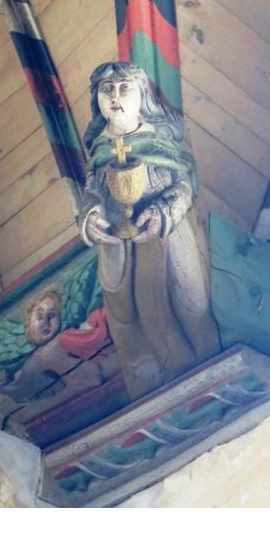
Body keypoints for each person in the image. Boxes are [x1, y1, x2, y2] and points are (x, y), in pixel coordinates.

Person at [78, 61, 220, 399]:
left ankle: (206, 356)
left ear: (142, 95)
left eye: (124, 88)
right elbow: (92, 191)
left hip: (164, 228)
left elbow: (184, 184)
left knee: (189, 295)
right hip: (117, 235)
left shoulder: (161, 138)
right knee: (122, 303)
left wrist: (166, 210)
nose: (115, 96)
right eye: (106, 90)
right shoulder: (99, 149)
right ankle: (146, 370)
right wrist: (90, 216)